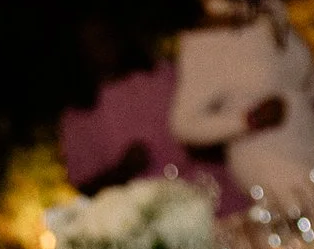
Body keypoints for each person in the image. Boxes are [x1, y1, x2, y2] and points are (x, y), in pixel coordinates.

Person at [169, 0, 314, 211]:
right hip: (271, 160)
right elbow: (183, 125)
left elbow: (299, 85)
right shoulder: (202, 43)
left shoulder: (270, 13)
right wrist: (246, 120)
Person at [59, 18, 227, 197]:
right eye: (95, 42)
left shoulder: (162, 75)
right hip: (148, 210)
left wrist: (202, 141)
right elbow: (85, 186)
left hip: (213, 189)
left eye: (108, 36)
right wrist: (123, 170)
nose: (106, 47)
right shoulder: (79, 115)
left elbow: (222, 123)